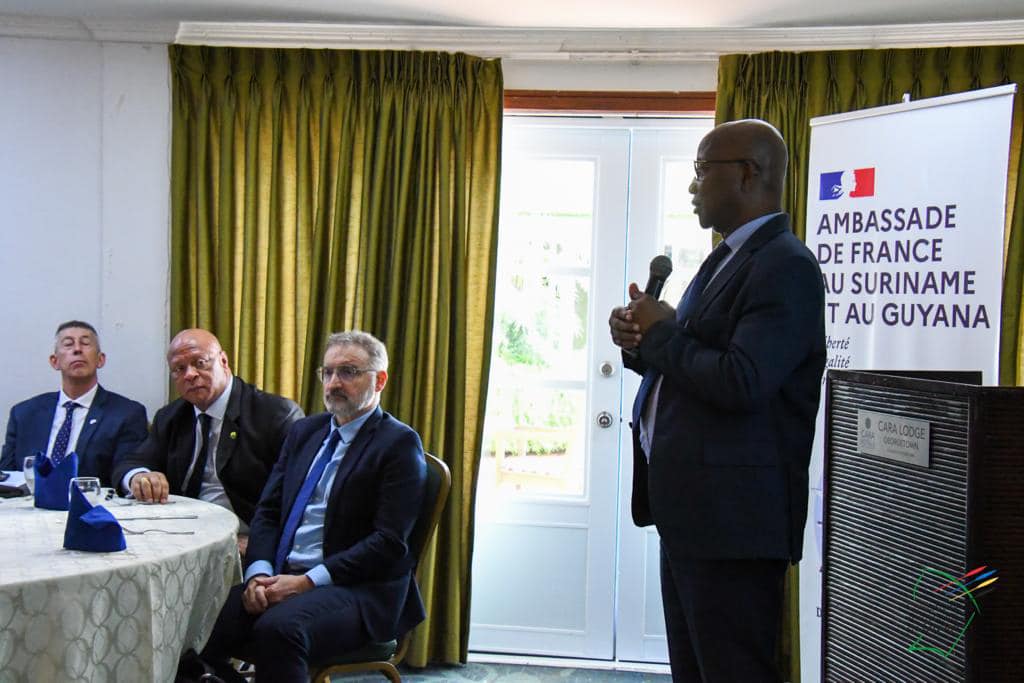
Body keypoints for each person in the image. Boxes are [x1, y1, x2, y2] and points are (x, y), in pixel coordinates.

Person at [609, 119, 826, 682]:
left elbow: (742, 380)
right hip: (694, 513)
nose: (692, 185)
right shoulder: (725, 258)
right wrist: (640, 342)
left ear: (748, 173)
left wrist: (661, 334)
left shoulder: (786, 266)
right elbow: (696, 361)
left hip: (735, 522)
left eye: (702, 170)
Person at [192, 330, 427, 682]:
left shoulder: (398, 444)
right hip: (283, 574)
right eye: (328, 372)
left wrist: (307, 582)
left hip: (359, 589)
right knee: (198, 618)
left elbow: (389, 543)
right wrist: (258, 572)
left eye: (348, 372)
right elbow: (268, 511)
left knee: (278, 630)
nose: (334, 383)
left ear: (379, 380)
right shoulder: (305, 432)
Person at [112, 328, 303, 545]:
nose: (190, 375)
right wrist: (138, 476)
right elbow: (132, 461)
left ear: (224, 361)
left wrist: (261, 544)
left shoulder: (275, 414)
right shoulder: (171, 416)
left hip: (246, 538)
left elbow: (295, 493)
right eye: (179, 369)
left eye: (200, 363)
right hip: (182, 534)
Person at [1, 320, 148, 486]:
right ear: (55, 361)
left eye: (85, 343)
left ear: (100, 360)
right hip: (29, 500)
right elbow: (6, 476)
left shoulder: (126, 414)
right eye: (68, 344)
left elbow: (126, 470)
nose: (77, 349)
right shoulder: (24, 414)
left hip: (90, 501)